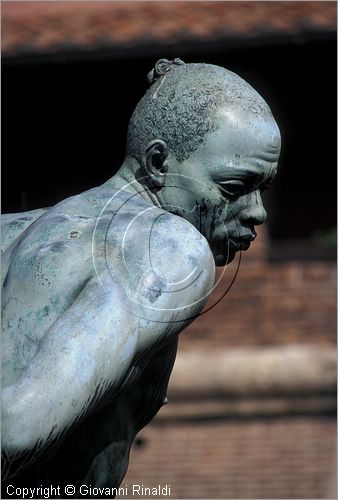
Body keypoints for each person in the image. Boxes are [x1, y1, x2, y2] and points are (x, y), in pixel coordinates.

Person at [1, 59, 281, 497]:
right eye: (234, 187)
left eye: (264, 187)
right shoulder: (166, 245)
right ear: (158, 162)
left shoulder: (9, 231)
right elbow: (16, 429)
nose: (258, 212)